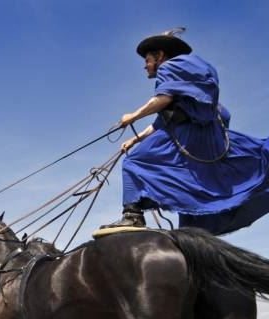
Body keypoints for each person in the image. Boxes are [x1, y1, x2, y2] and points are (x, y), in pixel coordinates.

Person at [102, 28, 269, 235]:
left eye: (147, 59)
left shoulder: (170, 67)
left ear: (160, 56)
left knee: (134, 162)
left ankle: (133, 216)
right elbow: (161, 121)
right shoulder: (185, 74)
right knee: (187, 214)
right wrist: (135, 139)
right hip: (201, 138)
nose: (145, 65)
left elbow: (163, 99)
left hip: (188, 137)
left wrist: (133, 116)